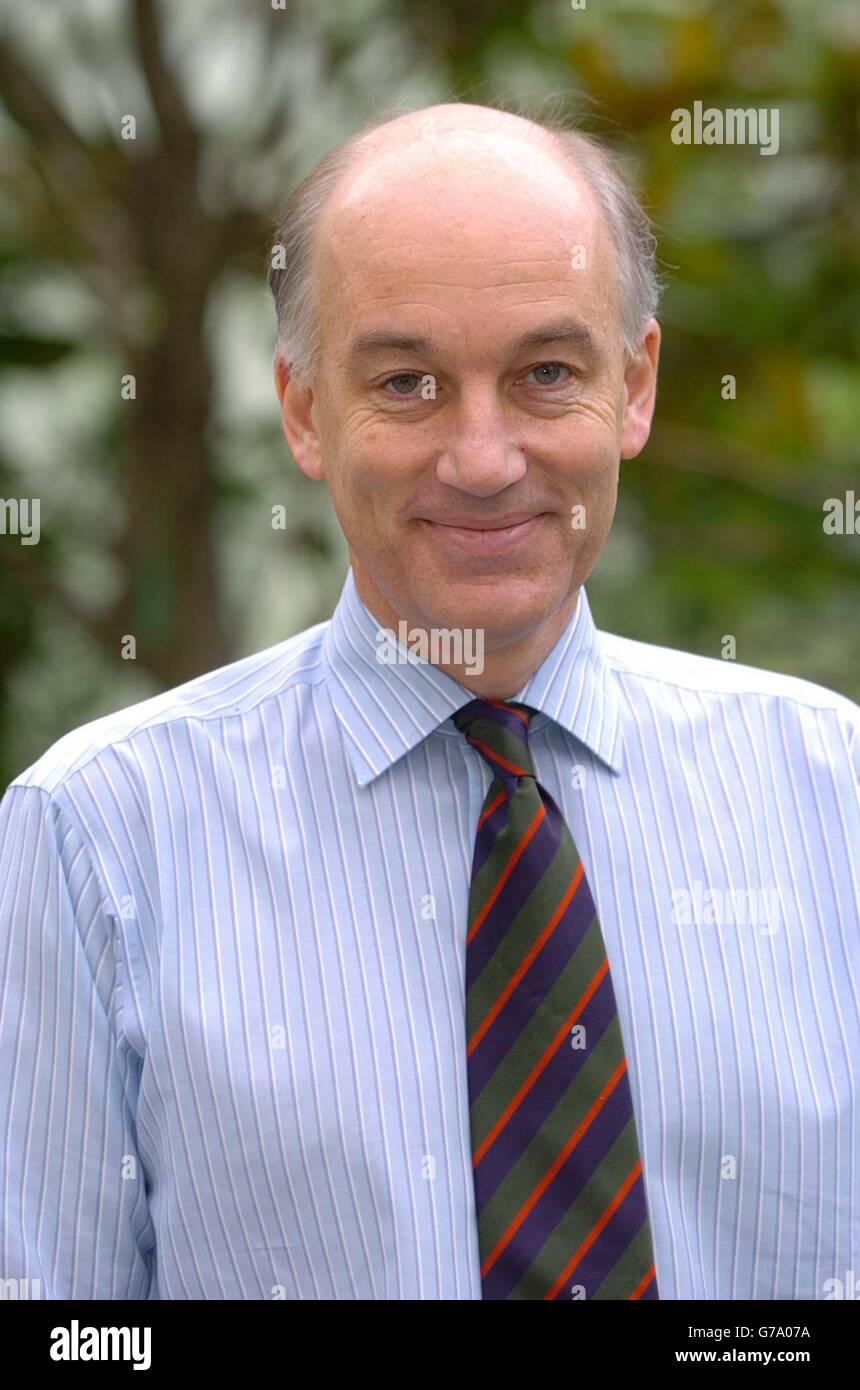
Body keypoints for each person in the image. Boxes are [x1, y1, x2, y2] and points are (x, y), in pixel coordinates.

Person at [1, 102, 857, 1301]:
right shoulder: (97, 837)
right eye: (407, 383)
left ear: (635, 388)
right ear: (302, 409)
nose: (482, 455)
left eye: (545, 373)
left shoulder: (832, 798)